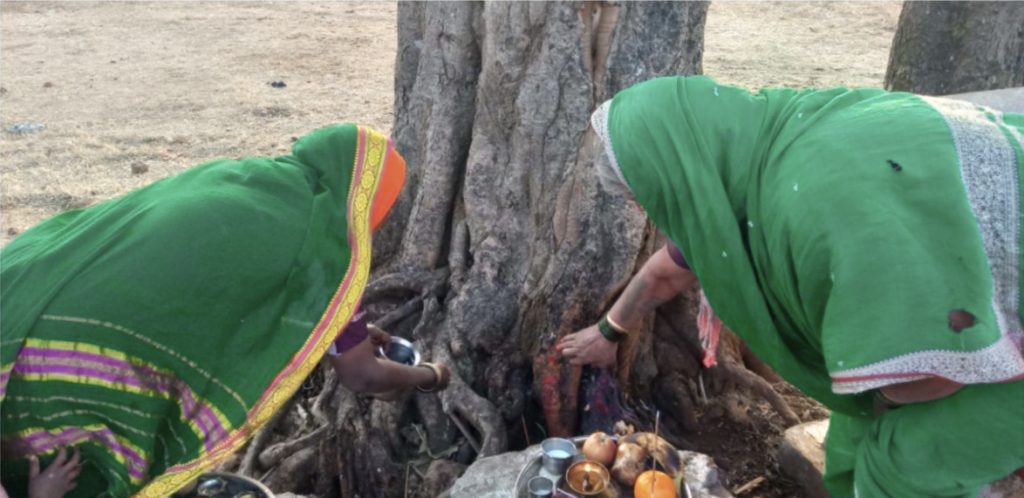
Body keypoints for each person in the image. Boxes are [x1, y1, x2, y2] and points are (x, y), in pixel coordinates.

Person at [558, 76, 1024, 497]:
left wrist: (881, 402)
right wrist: (608, 332)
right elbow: (669, 268)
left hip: (991, 346)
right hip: (949, 327)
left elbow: (931, 373)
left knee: (900, 469)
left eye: (646, 193)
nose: (648, 210)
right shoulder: (749, 163)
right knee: (847, 449)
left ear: (674, 168)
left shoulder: (807, 212)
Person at [0, 123, 450, 498]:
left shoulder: (253, 181)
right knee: (79, 459)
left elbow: (242, 281)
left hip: (32, 284)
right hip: (76, 342)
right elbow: (364, 377)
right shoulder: (325, 250)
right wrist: (432, 377)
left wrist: (341, 328)